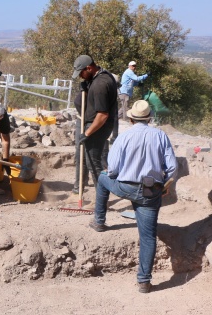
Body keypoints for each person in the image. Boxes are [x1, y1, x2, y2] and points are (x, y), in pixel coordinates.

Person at [89, 100, 177, 294]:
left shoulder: (124, 136)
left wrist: (118, 175)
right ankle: (144, 282)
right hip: (151, 191)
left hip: (126, 187)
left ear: (130, 118)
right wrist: (166, 185)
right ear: (149, 118)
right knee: (148, 237)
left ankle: (99, 221)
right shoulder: (160, 135)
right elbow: (172, 168)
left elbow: (112, 168)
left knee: (103, 178)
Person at [72, 55, 118, 185]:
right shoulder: (99, 76)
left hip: (98, 126)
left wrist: (87, 133)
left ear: (89, 68)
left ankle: (101, 199)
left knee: (93, 161)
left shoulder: (100, 85)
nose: (80, 76)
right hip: (92, 123)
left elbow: (102, 115)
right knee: (87, 159)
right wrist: (86, 87)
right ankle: (83, 190)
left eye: (81, 73)